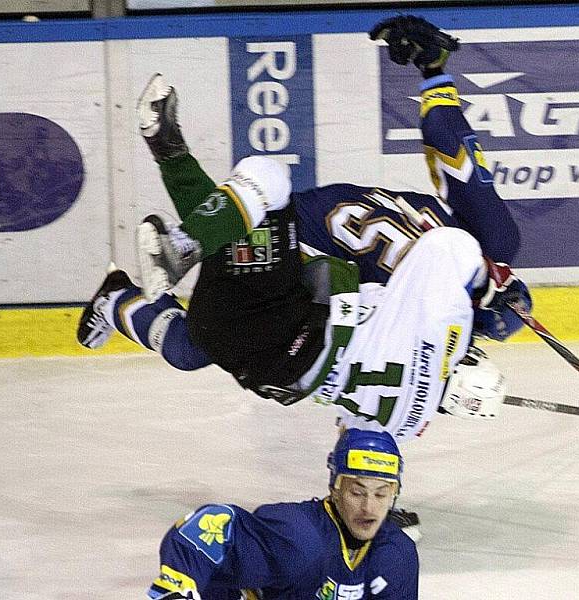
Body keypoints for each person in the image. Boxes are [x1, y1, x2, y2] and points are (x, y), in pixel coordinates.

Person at [77, 16, 532, 441]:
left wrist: (433, 72)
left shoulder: (490, 249)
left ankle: (127, 278)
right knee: (198, 340)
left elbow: (456, 156)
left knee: (209, 320)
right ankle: (165, 200)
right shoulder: (422, 312)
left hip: (308, 220)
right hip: (302, 258)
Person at [147, 428, 418, 600]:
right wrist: (175, 586)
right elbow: (214, 524)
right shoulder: (300, 539)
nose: (369, 508)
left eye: (381, 494)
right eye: (357, 493)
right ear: (335, 489)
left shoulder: (397, 556)